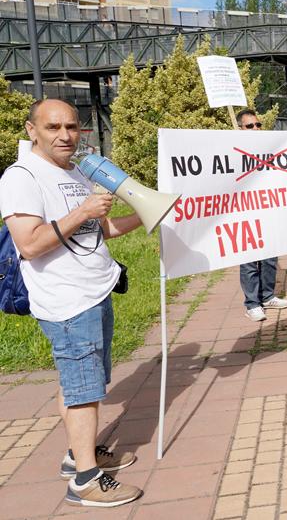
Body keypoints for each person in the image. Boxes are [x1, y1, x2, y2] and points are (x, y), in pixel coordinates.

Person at [0, 99, 143, 507]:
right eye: (53, 127)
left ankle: (78, 452)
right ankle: (85, 480)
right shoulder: (21, 177)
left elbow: (100, 230)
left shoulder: (74, 170)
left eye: (72, 127)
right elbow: (29, 245)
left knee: (84, 384)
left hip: (94, 290)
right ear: (32, 130)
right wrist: (82, 210)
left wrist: (151, 216)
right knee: (82, 390)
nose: (65, 135)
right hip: (67, 302)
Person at [237, 109, 287, 322]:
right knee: (249, 261)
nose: (256, 129)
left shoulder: (271, 149)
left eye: (258, 125)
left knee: (270, 259)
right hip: (244, 214)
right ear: (239, 128)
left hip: (268, 213)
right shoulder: (232, 152)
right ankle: (252, 303)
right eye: (250, 126)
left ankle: (267, 296)